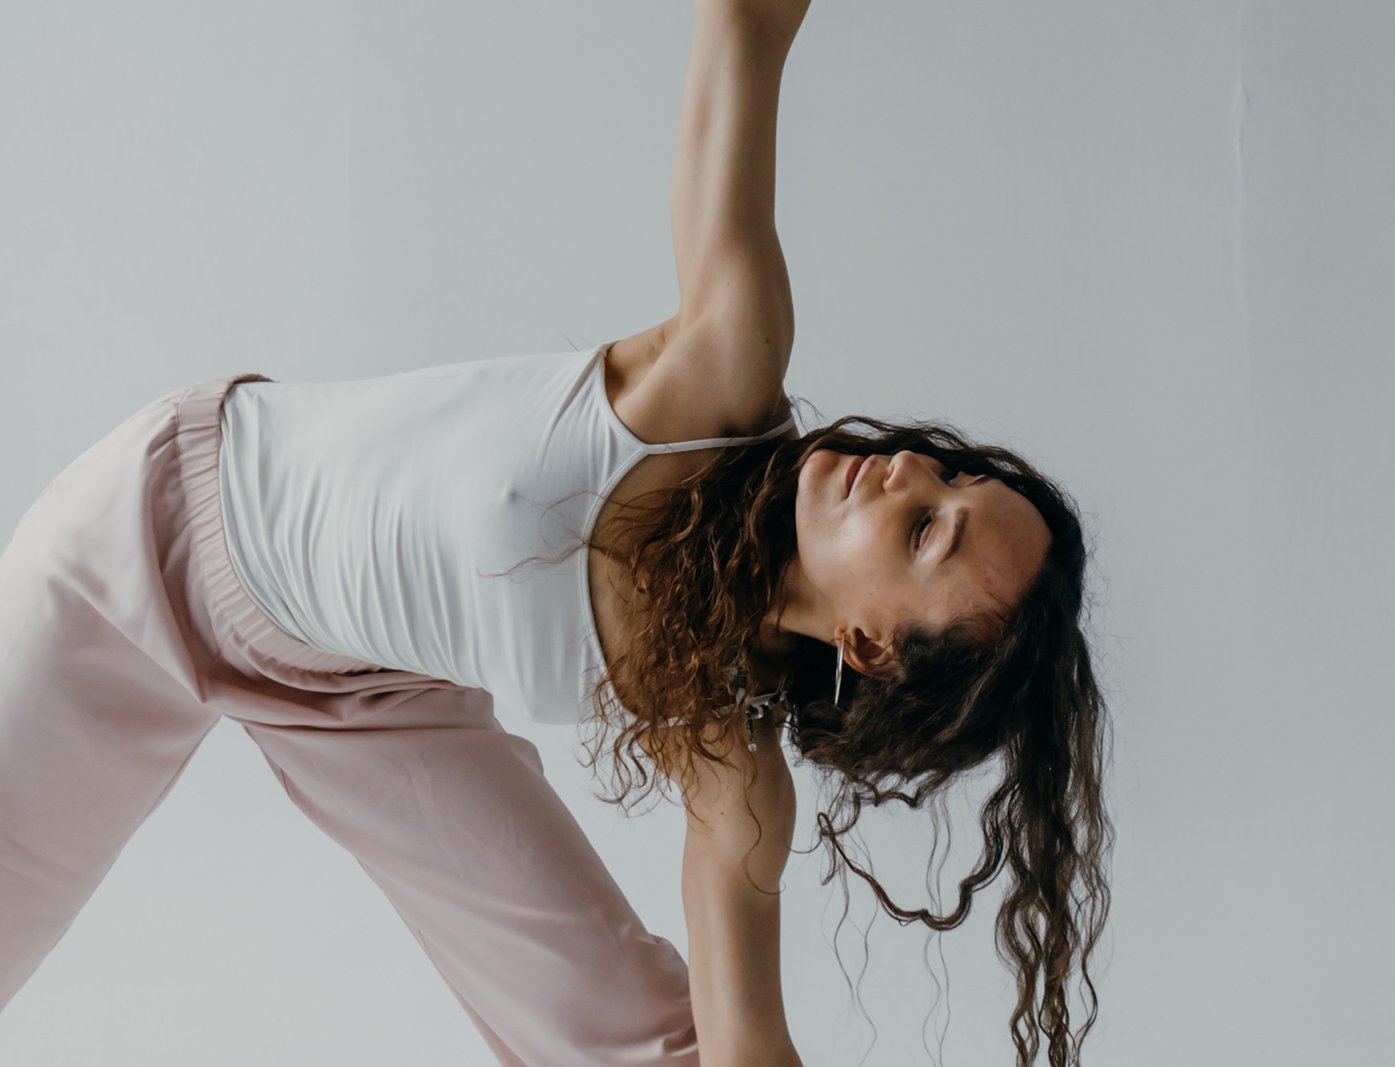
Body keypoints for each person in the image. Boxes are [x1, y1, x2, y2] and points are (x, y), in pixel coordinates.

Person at [0, 2, 1110, 1065]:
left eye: (925, 531)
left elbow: (746, 1042)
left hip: (366, 693)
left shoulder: (729, 755)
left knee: (640, 1046)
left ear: (869, 645)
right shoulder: (714, 391)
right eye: (950, 477)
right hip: (153, 539)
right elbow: (745, 23)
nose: (911, 470)